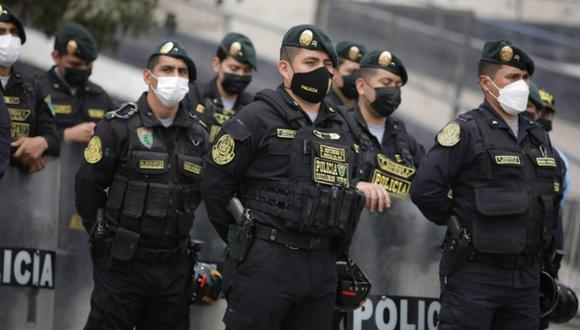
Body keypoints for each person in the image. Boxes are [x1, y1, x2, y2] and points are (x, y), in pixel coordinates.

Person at [201, 24, 389, 330]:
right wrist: (245, 240)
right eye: (311, 63)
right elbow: (215, 184)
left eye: (328, 65)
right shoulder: (256, 118)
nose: (322, 72)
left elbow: (340, 185)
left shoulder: (341, 126)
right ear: (285, 69)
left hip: (321, 266)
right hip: (266, 261)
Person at [410, 39, 559, 329]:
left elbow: (547, 199)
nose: (522, 85)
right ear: (486, 82)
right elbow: (425, 189)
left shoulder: (537, 137)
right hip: (477, 274)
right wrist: (458, 219)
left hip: (526, 278)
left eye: (525, 78)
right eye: (512, 77)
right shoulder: (466, 130)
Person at [75, 40, 208, 329]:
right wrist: (101, 237)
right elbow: (88, 185)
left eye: (182, 71)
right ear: (148, 76)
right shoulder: (118, 125)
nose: (175, 77)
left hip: (174, 269)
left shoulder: (199, 135)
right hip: (123, 264)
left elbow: (200, 193)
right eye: (167, 69)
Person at [0, 3, 59, 173]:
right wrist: (19, 154)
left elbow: (54, 137)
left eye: (14, 32)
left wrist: (41, 143)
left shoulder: (32, 87)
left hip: (16, 195)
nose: (9, 39)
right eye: (1, 31)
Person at [36, 22, 113, 144]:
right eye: (75, 64)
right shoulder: (36, 89)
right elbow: (25, 137)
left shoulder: (100, 96)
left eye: (88, 64)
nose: (82, 69)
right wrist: (66, 135)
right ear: (56, 57)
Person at [188, 32, 256, 142]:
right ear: (217, 64)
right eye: (234, 68)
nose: (241, 74)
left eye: (247, 70)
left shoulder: (252, 107)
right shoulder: (194, 95)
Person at [326, 41, 366, 108]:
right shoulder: (322, 107)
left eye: (360, 73)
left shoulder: (365, 111)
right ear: (334, 72)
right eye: (351, 71)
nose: (356, 77)